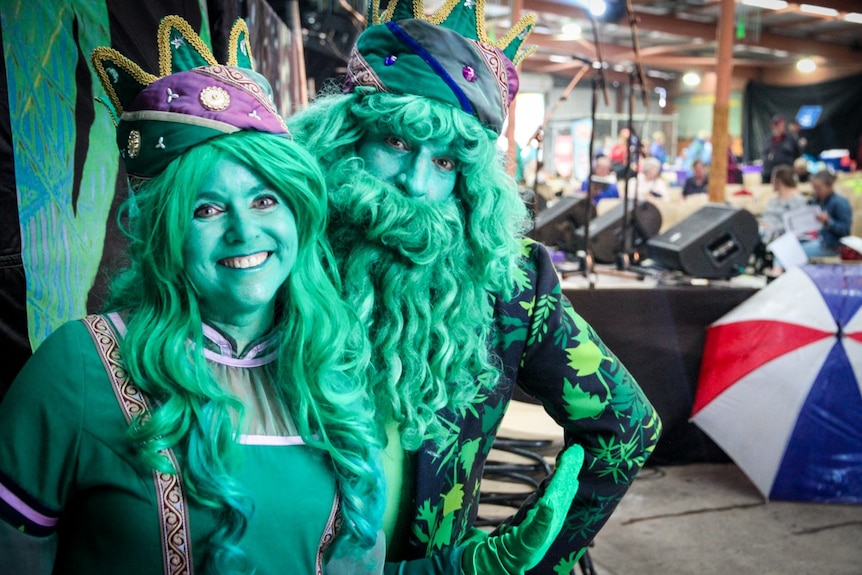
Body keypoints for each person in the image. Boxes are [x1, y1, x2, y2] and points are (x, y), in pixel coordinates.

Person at [0, 17, 387, 574]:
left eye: (264, 200)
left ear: (298, 211)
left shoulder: (332, 367)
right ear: (164, 234)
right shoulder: (77, 368)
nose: (243, 231)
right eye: (205, 209)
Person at [288, 1, 661, 573]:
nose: (415, 183)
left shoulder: (509, 285)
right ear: (345, 136)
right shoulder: (280, 250)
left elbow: (627, 428)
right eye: (394, 143)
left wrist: (521, 562)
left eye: (445, 164)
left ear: (473, 183)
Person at [801, 169, 853, 259]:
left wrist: (828, 221)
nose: (815, 191)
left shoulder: (840, 203)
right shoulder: (813, 201)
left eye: (819, 188)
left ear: (829, 186)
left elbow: (845, 231)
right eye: (814, 188)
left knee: (799, 251)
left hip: (831, 245)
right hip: (811, 239)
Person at [759, 164, 808, 243]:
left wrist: (771, 228)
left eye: (773, 179)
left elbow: (797, 225)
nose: (771, 182)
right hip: (763, 231)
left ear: (779, 181)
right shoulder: (773, 200)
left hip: (780, 236)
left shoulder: (797, 200)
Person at [761, 115, 800, 184]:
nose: (777, 127)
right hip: (769, 174)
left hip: (786, 174)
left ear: (783, 125)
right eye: (775, 125)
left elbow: (797, 155)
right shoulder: (768, 140)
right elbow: (765, 155)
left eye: (779, 125)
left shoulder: (791, 139)